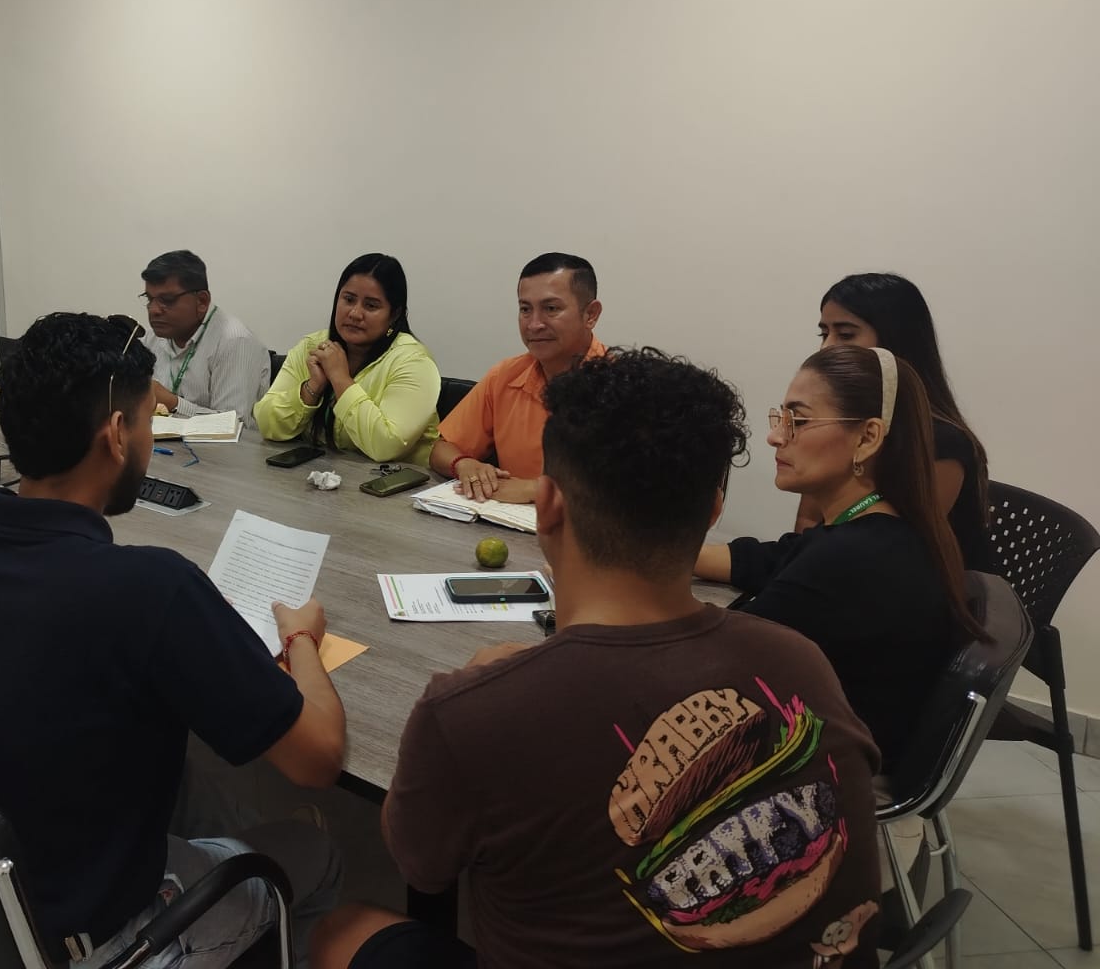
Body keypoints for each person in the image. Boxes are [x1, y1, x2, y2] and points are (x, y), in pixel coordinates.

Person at [312, 349, 883, 969]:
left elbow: (418, 865)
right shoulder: (802, 660)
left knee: (340, 930)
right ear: (714, 509)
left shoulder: (468, 712)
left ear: (546, 505)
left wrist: (469, 696)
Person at [0, 313, 344, 968]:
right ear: (117, 434)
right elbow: (318, 759)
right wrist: (303, 639)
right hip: (96, 940)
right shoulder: (153, 588)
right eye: (148, 421)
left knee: (188, 777)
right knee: (318, 853)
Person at [696, 345, 985, 770]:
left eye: (799, 420)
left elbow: (709, 660)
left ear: (867, 438)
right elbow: (763, 560)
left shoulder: (854, 560)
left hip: (826, 770)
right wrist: (652, 552)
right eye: (781, 418)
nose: (776, 437)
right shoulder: (879, 529)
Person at [807, 273, 995, 573]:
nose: (827, 348)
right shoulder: (839, 421)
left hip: (922, 591)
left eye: (846, 335)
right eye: (824, 334)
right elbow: (808, 521)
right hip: (844, 573)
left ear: (896, 341)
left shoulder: (942, 443)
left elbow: (892, 555)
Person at [429, 252, 605, 503]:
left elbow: (640, 489)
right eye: (525, 309)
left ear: (591, 314)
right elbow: (441, 448)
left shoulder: (623, 385)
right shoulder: (505, 376)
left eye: (551, 309)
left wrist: (536, 489)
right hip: (507, 522)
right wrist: (464, 464)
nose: (534, 324)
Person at [255, 254, 439, 465]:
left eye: (371, 306)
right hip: (321, 475)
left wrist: (340, 378)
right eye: (349, 300)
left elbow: (386, 444)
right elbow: (267, 425)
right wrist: (312, 387)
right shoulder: (312, 346)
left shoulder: (413, 361)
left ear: (394, 315)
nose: (355, 313)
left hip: (395, 481)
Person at [139, 249, 270, 427]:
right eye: (150, 299)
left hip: (225, 446)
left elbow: (233, 425)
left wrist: (174, 404)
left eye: (167, 300)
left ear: (201, 301)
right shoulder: (152, 337)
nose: (154, 310)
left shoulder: (235, 341)